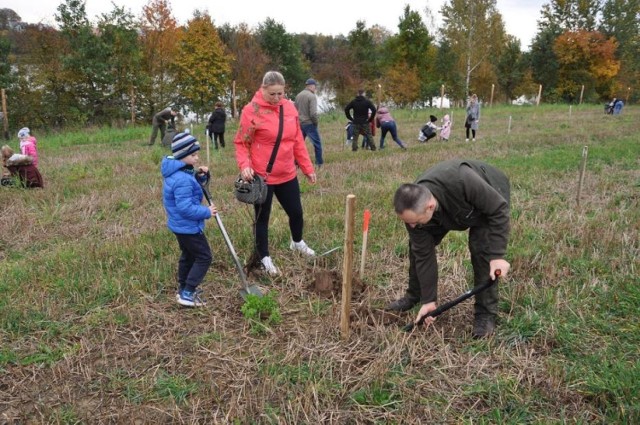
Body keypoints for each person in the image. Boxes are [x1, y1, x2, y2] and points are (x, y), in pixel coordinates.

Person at [386, 159, 511, 338]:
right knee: (416, 248)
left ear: (429, 207)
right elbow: (423, 254)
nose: (411, 226)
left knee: (482, 249)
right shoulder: (413, 209)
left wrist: (497, 255)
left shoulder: (463, 181)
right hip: (446, 208)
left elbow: (498, 210)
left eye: (414, 221)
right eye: (407, 222)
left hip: (489, 198)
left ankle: (485, 314)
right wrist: (429, 299)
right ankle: (415, 294)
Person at [234, 70, 317, 276]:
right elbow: (242, 142)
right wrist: (245, 165)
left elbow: (297, 140)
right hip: (263, 176)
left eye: (281, 93)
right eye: (273, 94)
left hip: (287, 172)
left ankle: (297, 242)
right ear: (263, 89)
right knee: (262, 218)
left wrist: (307, 168)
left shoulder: (289, 108)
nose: (277, 98)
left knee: (296, 212)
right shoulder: (251, 111)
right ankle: (264, 258)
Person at [161, 132, 217, 307]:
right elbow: (185, 208)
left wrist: (200, 177)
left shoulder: (178, 172)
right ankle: (188, 292)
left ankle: (183, 288)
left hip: (180, 226)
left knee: (188, 256)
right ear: (181, 155)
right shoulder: (182, 179)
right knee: (204, 257)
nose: (197, 158)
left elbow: (191, 187)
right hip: (188, 227)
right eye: (193, 155)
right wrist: (206, 212)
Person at [295, 78, 324, 166]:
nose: (315, 88)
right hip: (309, 123)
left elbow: (295, 110)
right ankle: (319, 163)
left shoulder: (298, 95)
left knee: (299, 145)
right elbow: (313, 114)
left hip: (300, 123)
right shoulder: (312, 96)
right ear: (312, 86)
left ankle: (296, 163)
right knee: (317, 144)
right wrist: (315, 123)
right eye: (315, 86)